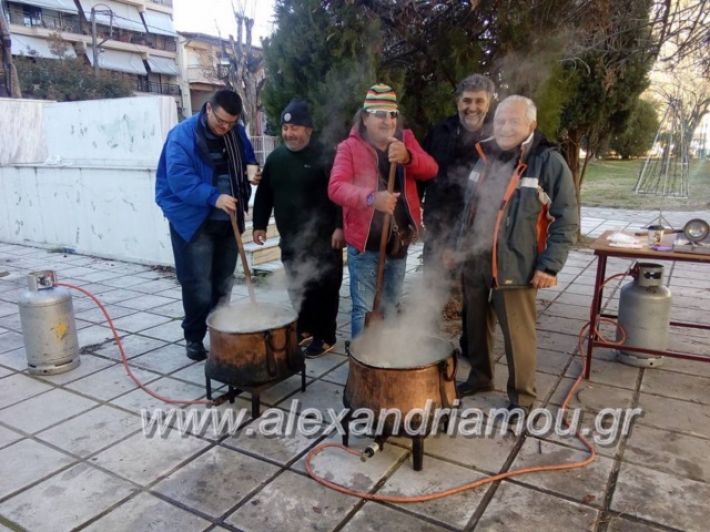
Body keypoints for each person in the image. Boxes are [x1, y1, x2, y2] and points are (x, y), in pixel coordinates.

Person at [453, 95, 578, 414]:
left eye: (514, 121)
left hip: (518, 262)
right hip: (477, 256)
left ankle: (522, 398)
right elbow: (468, 209)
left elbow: (566, 218)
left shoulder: (547, 162)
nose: (505, 127)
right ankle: (480, 377)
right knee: (475, 325)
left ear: (531, 125)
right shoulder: (485, 155)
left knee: (518, 334)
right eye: (500, 121)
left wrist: (550, 265)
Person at [328, 83, 438, 339]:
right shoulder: (349, 147)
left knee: (390, 307)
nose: (387, 121)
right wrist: (370, 198)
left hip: (398, 241)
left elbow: (431, 169)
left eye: (392, 114)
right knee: (363, 310)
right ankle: (361, 369)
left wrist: (409, 157)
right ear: (365, 117)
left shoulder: (405, 139)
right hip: (365, 245)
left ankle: (384, 365)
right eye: (379, 114)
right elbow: (336, 187)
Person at [155, 90, 258, 361]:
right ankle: (194, 337)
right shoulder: (182, 135)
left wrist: (250, 166)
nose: (225, 128)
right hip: (193, 220)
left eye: (231, 124)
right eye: (221, 122)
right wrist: (213, 196)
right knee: (198, 284)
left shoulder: (234, 132)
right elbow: (179, 179)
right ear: (208, 109)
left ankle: (220, 334)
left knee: (223, 282)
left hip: (228, 220)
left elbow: (246, 151)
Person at [252, 99, 344, 358]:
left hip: (324, 239)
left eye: (294, 128)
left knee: (324, 288)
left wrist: (340, 227)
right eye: (285, 128)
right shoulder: (277, 158)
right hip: (291, 238)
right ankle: (305, 328)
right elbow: (265, 194)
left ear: (308, 129)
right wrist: (259, 225)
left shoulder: (326, 154)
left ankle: (325, 335)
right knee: (296, 283)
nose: (288, 133)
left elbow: (339, 195)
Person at [421, 73, 495, 269]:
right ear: (457, 102)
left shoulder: (499, 136)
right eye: (466, 101)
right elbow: (420, 174)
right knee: (432, 293)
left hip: (479, 235)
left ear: (488, 104)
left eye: (479, 101)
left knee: (471, 295)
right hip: (439, 230)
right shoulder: (439, 132)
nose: (472, 107)